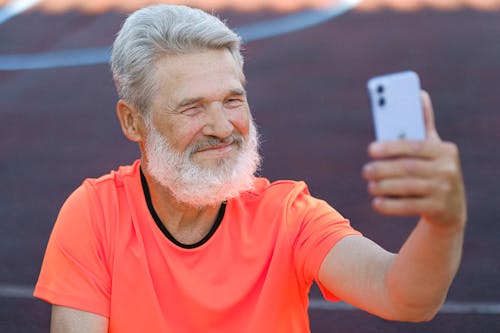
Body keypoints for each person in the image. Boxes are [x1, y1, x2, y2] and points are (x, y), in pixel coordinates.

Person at [34, 4, 467, 333]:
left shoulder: (289, 215)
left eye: (232, 99)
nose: (222, 127)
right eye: (192, 107)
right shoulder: (94, 215)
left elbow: (404, 297)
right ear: (132, 121)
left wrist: (444, 221)